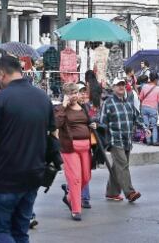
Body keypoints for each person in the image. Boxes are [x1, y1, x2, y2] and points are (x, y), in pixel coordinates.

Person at [0, 55, 55, 242]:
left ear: (1, 74)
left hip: (7, 176)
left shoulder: (0, 99)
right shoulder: (43, 97)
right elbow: (53, 133)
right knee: (20, 231)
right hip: (34, 173)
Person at [98, 76, 145, 203]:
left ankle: (112, 192)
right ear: (113, 87)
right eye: (118, 85)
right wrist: (103, 139)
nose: (121, 87)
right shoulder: (108, 103)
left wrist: (144, 128)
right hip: (115, 140)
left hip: (127, 140)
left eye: (123, 85)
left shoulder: (128, 102)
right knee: (123, 165)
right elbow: (102, 122)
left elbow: (137, 117)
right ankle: (130, 192)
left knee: (117, 167)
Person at [55, 83, 95, 221]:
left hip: (86, 147)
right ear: (65, 95)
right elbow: (56, 123)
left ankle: (69, 197)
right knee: (75, 179)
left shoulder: (83, 107)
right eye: (71, 93)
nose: (74, 96)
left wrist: (92, 124)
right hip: (70, 148)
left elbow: (88, 121)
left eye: (75, 93)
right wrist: (63, 106)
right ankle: (76, 210)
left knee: (86, 177)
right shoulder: (61, 109)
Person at [137, 72, 159, 146]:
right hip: (153, 108)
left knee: (146, 125)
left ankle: (148, 141)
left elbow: (140, 98)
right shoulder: (158, 88)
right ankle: (154, 141)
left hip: (144, 108)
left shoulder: (144, 86)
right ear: (155, 80)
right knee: (154, 125)